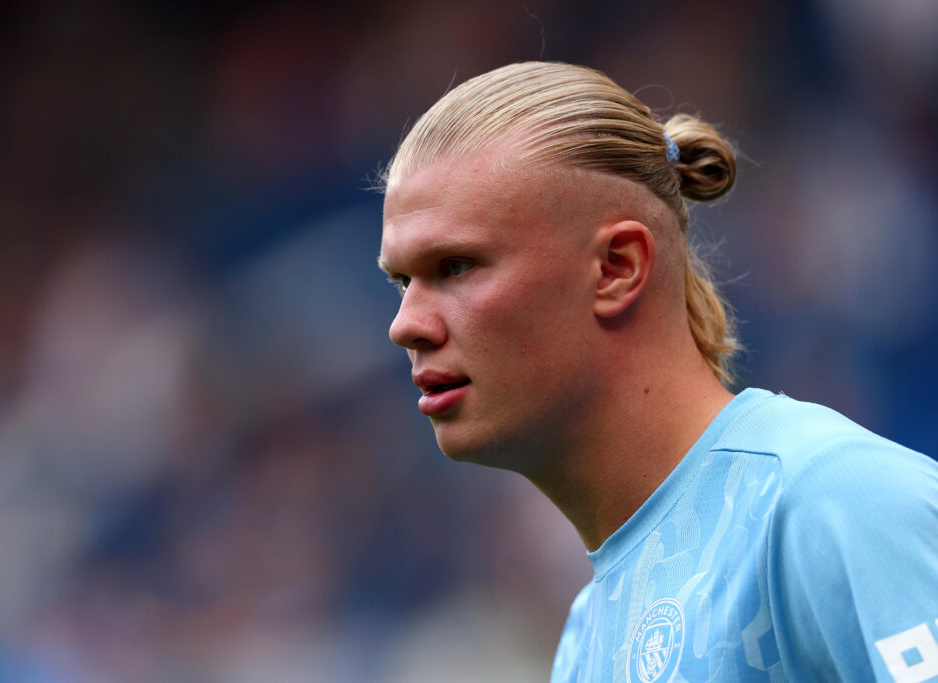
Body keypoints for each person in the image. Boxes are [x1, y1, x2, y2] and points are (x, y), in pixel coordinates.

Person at [377, 61, 938, 682]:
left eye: (455, 266)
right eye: (402, 282)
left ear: (618, 267)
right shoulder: (585, 640)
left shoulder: (830, 503)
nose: (406, 324)